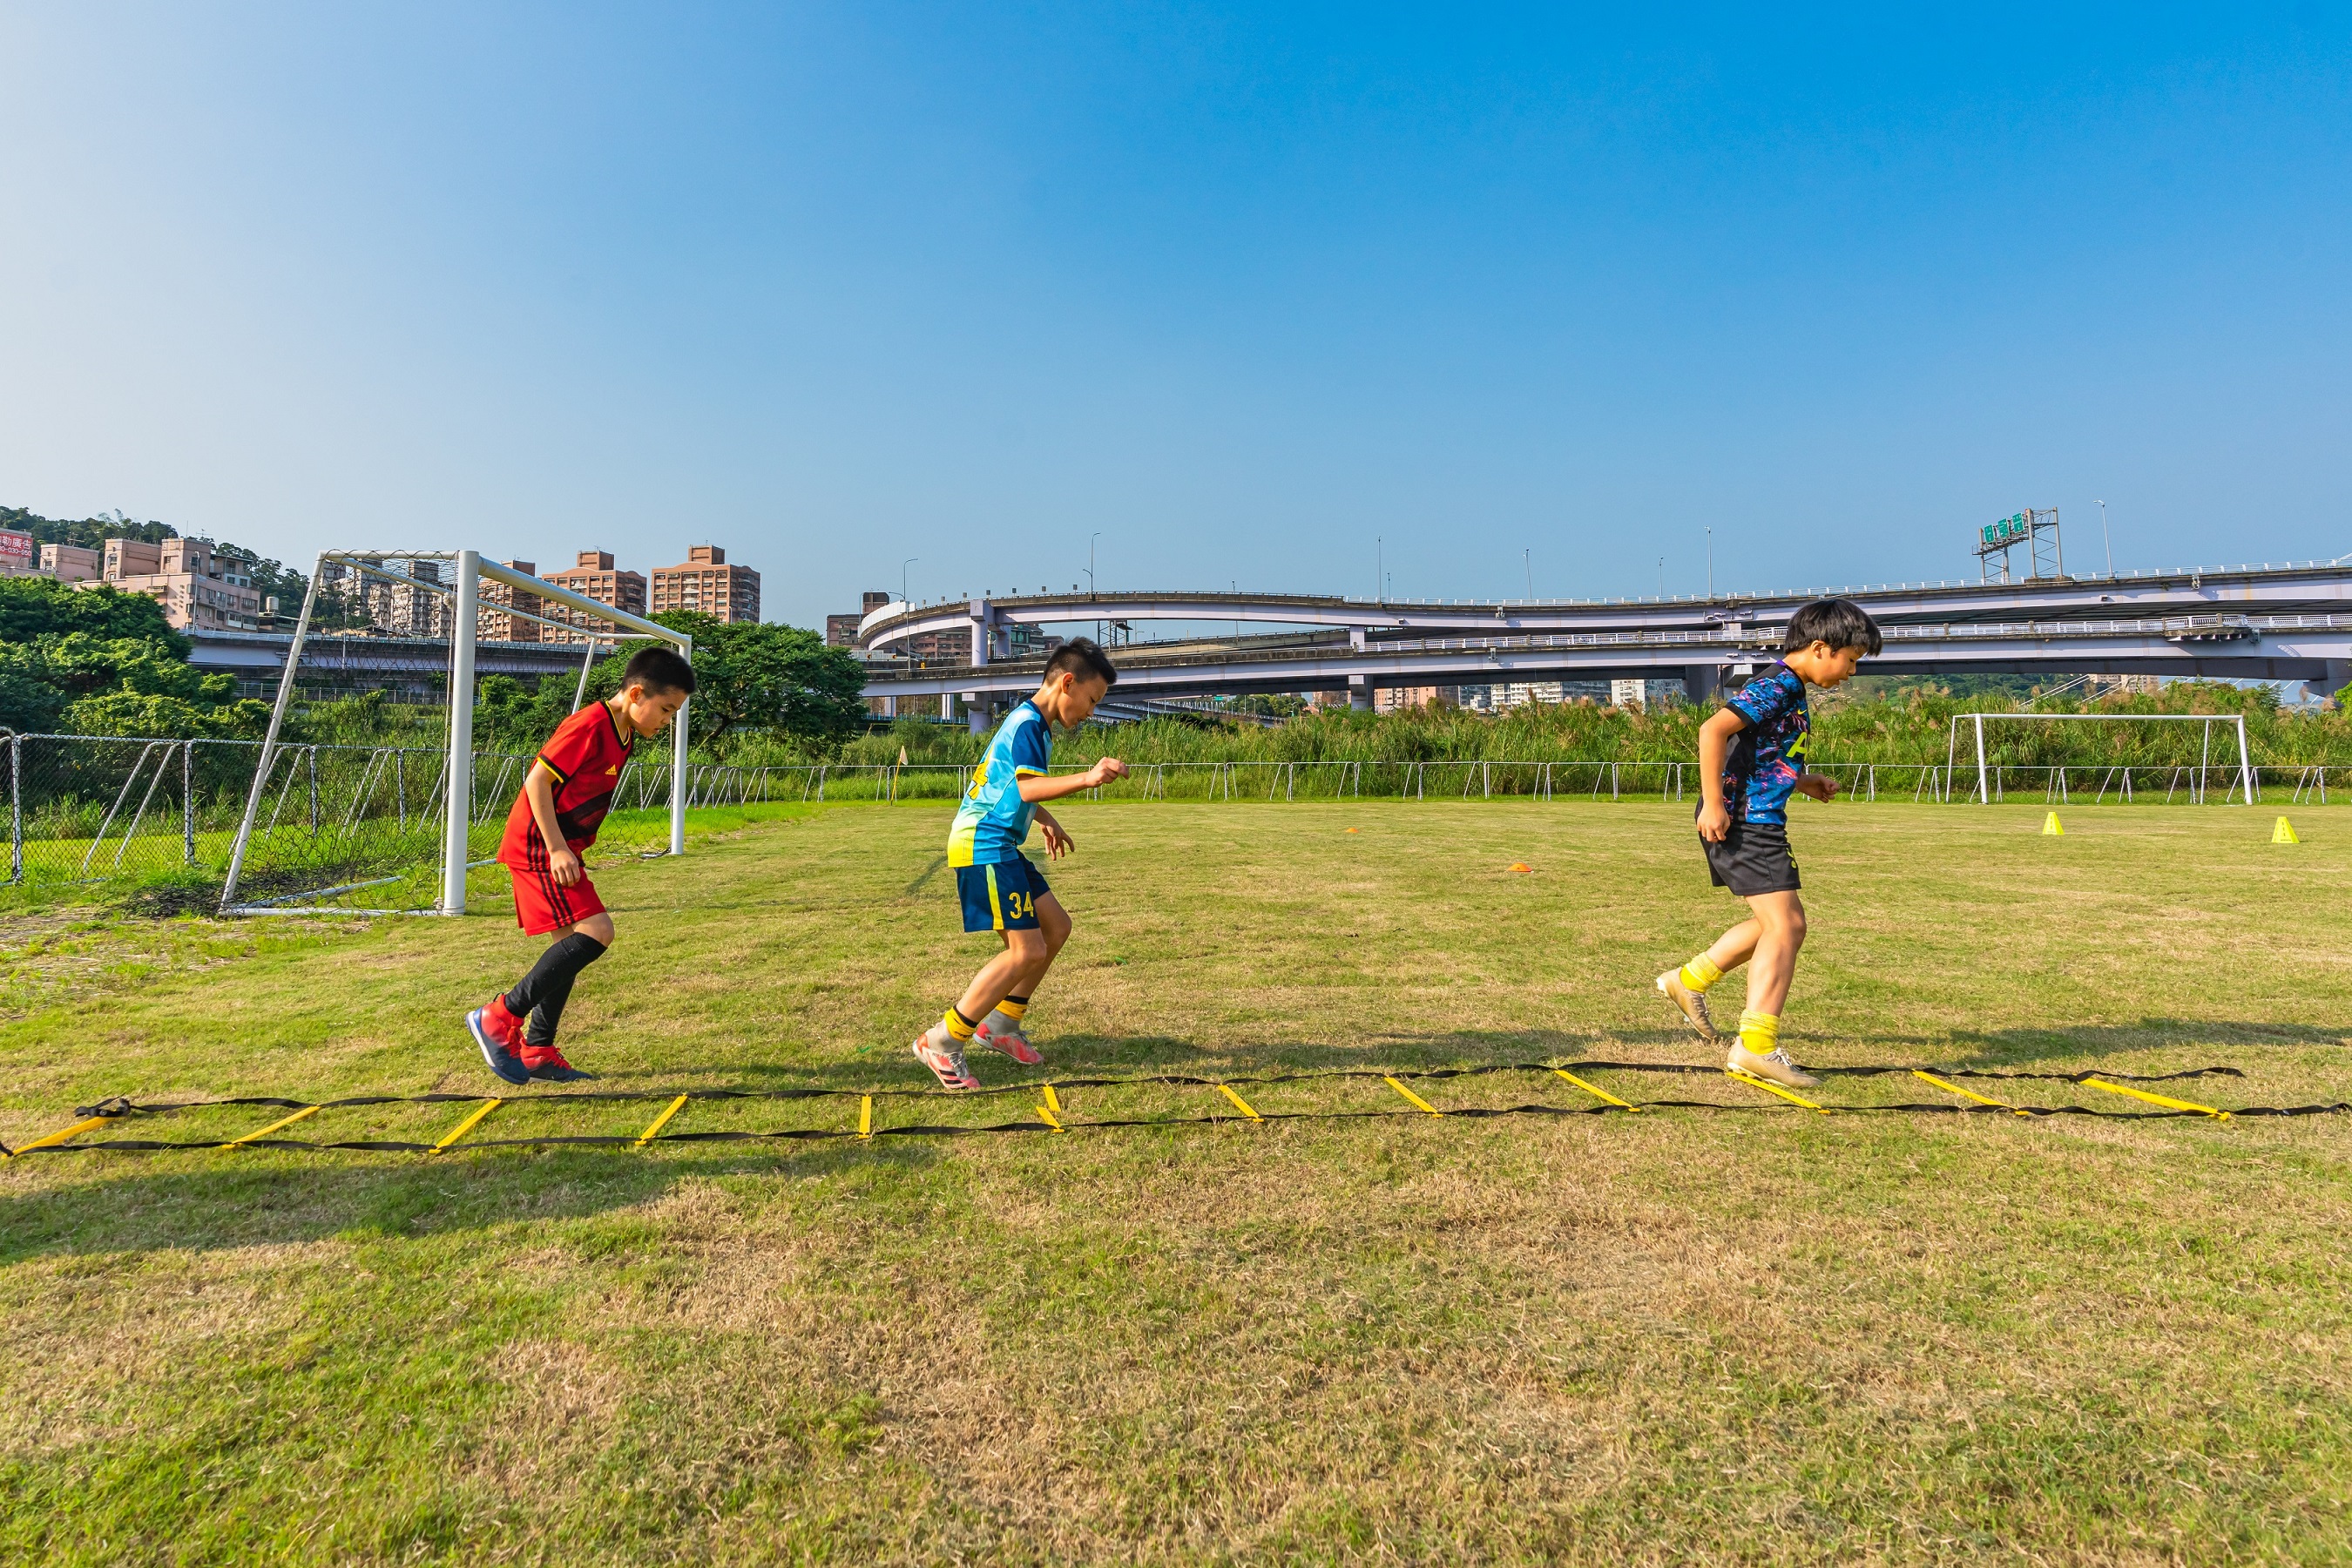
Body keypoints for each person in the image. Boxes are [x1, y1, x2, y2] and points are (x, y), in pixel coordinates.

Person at [1654, 597, 1882, 1088]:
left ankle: (1688, 981)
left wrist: (1804, 781)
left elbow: (1757, 756)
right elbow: (1713, 730)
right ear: (1821, 648)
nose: (1851, 672)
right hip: (1743, 820)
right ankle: (1755, 1047)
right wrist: (1714, 803)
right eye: (1851, 660)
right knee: (1788, 925)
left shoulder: (1789, 688)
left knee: (1775, 925)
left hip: (1759, 817)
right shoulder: (1777, 684)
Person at [466, 645, 695, 1085]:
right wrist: (556, 849)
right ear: (635, 694)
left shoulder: (625, 733)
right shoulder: (590, 723)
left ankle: (537, 1049)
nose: (667, 722)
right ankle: (498, 1016)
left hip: (559, 844)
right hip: (538, 845)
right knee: (598, 931)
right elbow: (537, 781)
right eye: (665, 710)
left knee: (567, 949)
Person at [912, 638, 1128, 1090]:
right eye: (1092, 700)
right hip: (984, 844)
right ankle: (942, 1040)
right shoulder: (1029, 724)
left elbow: (1010, 786)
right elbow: (1027, 789)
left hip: (1001, 843)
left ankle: (1003, 1025)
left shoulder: (1034, 726)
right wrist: (1088, 778)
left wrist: (1044, 820)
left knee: (1056, 928)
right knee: (1025, 950)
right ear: (1067, 682)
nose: (1091, 712)